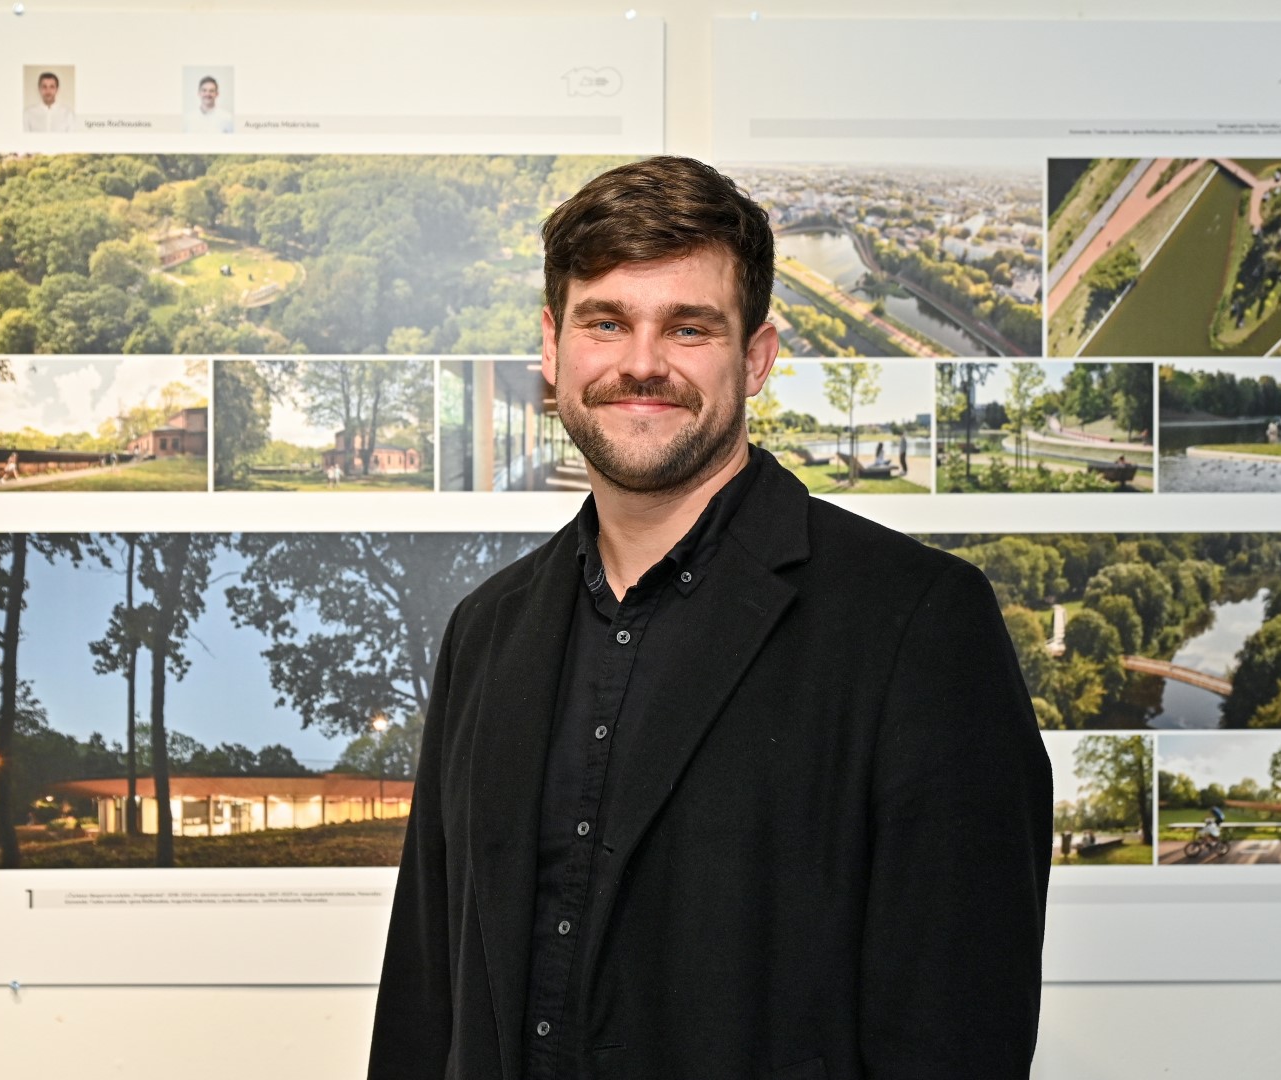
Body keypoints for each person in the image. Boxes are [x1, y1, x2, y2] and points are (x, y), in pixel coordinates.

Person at [369, 156, 1050, 1080]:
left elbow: (956, 1036)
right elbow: (426, 1001)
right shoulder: (485, 632)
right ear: (553, 347)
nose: (641, 363)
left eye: (688, 328)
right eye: (605, 322)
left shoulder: (918, 625)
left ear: (755, 357)